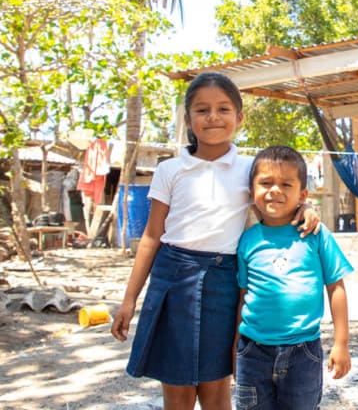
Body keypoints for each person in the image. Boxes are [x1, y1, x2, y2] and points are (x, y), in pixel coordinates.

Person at [110, 72, 320, 410]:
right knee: (176, 390)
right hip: (172, 280)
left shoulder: (250, 168)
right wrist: (129, 299)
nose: (213, 117)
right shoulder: (170, 170)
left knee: (216, 386)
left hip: (224, 282)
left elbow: (279, 197)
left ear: (239, 117)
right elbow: (151, 236)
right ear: (188, 119)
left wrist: (308, 209)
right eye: (202, 110)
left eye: (223, 109)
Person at [234, 145, 353, 410]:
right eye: (266, 183)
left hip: (304, 351)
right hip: (253, 351)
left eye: (286, 184)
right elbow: (243, 296)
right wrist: (235, 349)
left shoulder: (316, 235)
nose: (275, 190)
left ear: (302, 194)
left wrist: (341, 343)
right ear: (252, 192)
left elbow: (336, 287)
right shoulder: (247, 240)